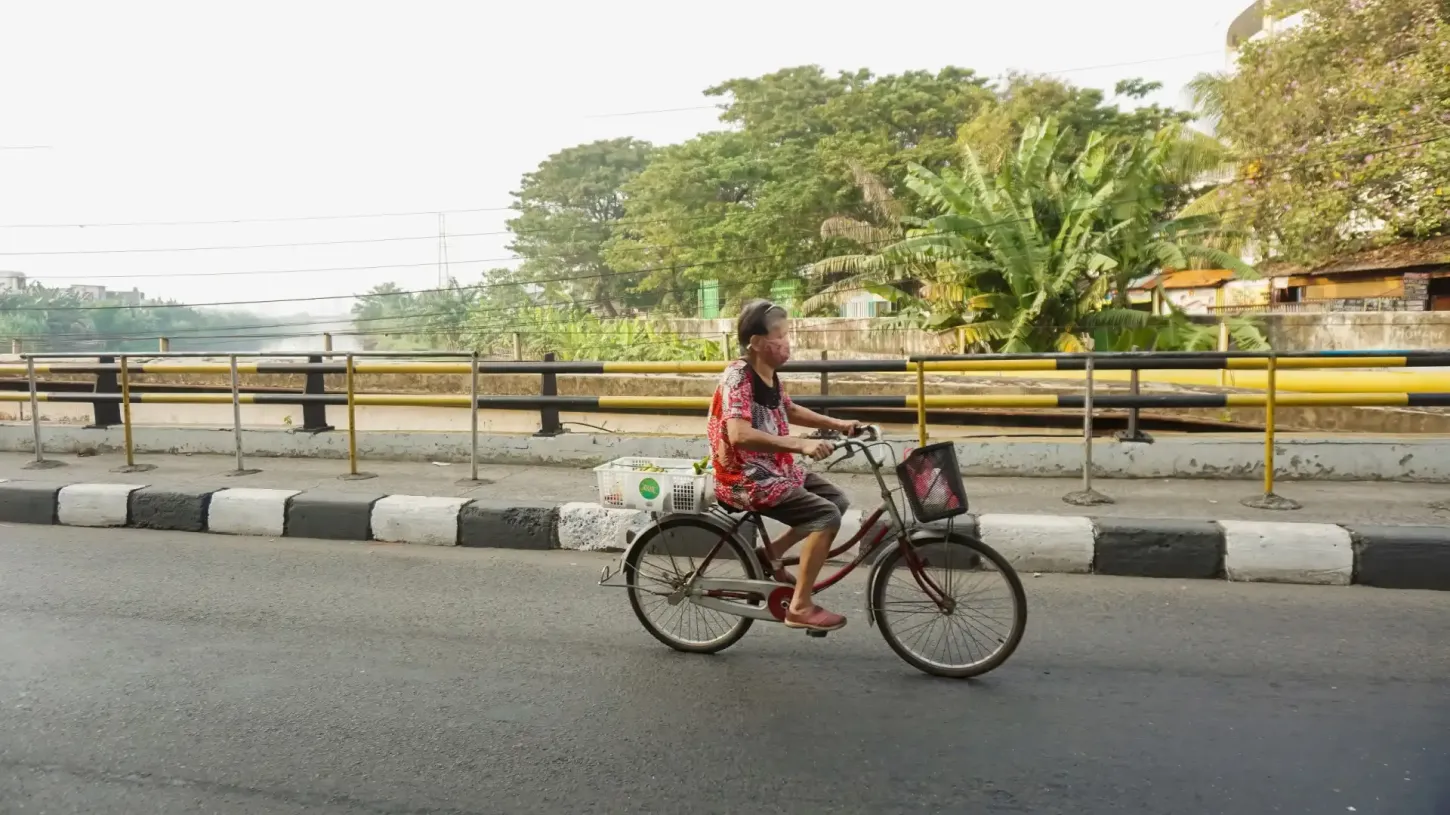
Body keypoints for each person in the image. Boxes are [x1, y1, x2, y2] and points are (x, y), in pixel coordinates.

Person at [706, 299, 860, 632]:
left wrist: (840, 424)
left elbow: (789, 409)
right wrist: (801, 444)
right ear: (757, 344)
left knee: (838, 501)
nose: (787, 343)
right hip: (745, 477)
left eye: (787, 335)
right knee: (825, 516)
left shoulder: (770, 375)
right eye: (780, 336)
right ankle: (800, 608)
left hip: (774, 468)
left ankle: (769, 553)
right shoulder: (738, 377)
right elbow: (739, 433)